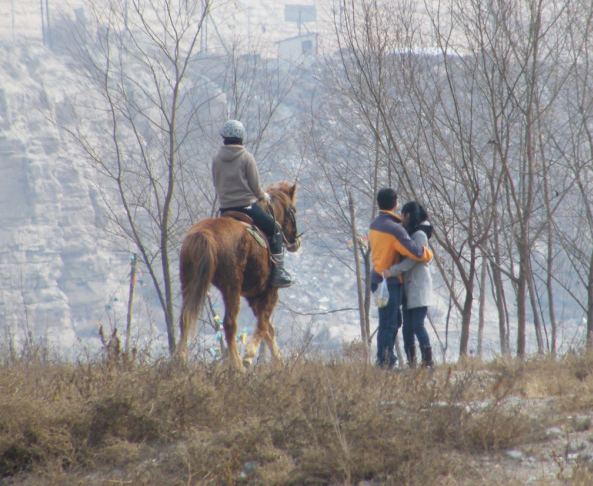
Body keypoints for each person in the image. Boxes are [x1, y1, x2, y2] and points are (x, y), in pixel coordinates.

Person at [211, 120, 293, 288]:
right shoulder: (246, 157)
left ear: (224, 138)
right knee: (276, 229)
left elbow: (216, 183)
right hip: (247, 208)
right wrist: (263, 197)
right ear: (242, 137)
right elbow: (255, 186)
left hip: (225, 209)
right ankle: (278, 272)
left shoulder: (217, 159)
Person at [369, 189, 433, 369]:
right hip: (389, 282)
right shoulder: (395, 229)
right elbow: (415, 251)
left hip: (376, 279)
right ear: (396, 203)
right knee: (390, 323)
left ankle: (384, 359)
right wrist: (428, 253)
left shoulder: (374, 224)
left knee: (387, 321)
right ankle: (386, 361)